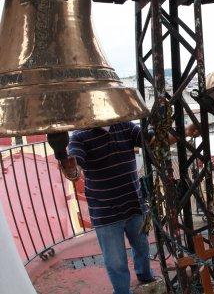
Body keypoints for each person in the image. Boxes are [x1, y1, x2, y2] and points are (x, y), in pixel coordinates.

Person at [58, 121, 198, 294]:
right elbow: (75, 169)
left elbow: (154, 141)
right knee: (115, 261)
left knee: (142, 247)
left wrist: (185, 131)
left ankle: (145, 276)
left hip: (133, 204)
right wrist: (70, 169)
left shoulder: (125, 126)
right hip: (105, 212)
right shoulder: (79, 136)